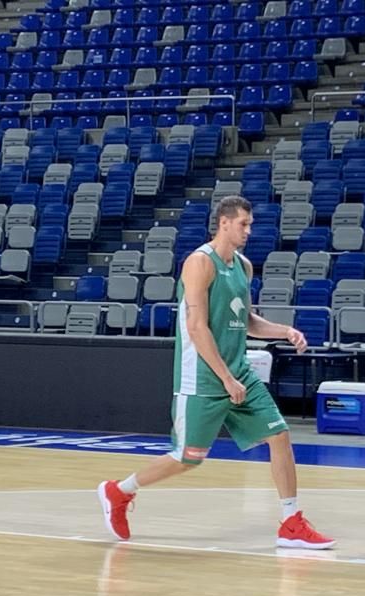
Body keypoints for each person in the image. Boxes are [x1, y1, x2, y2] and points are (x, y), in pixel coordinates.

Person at [97, 196, 334, 549]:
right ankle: (119, 491)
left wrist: (284, 330)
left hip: (239, 372)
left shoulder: (244, 266)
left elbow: (245, 321)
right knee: (188, 458)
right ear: (224, 223)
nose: (248, 231)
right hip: (204, 376)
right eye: (243, 224)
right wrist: (226, 378)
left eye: (250, 224)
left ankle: (290, 521)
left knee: (280, 435)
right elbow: (197, 327)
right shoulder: (199, 263)